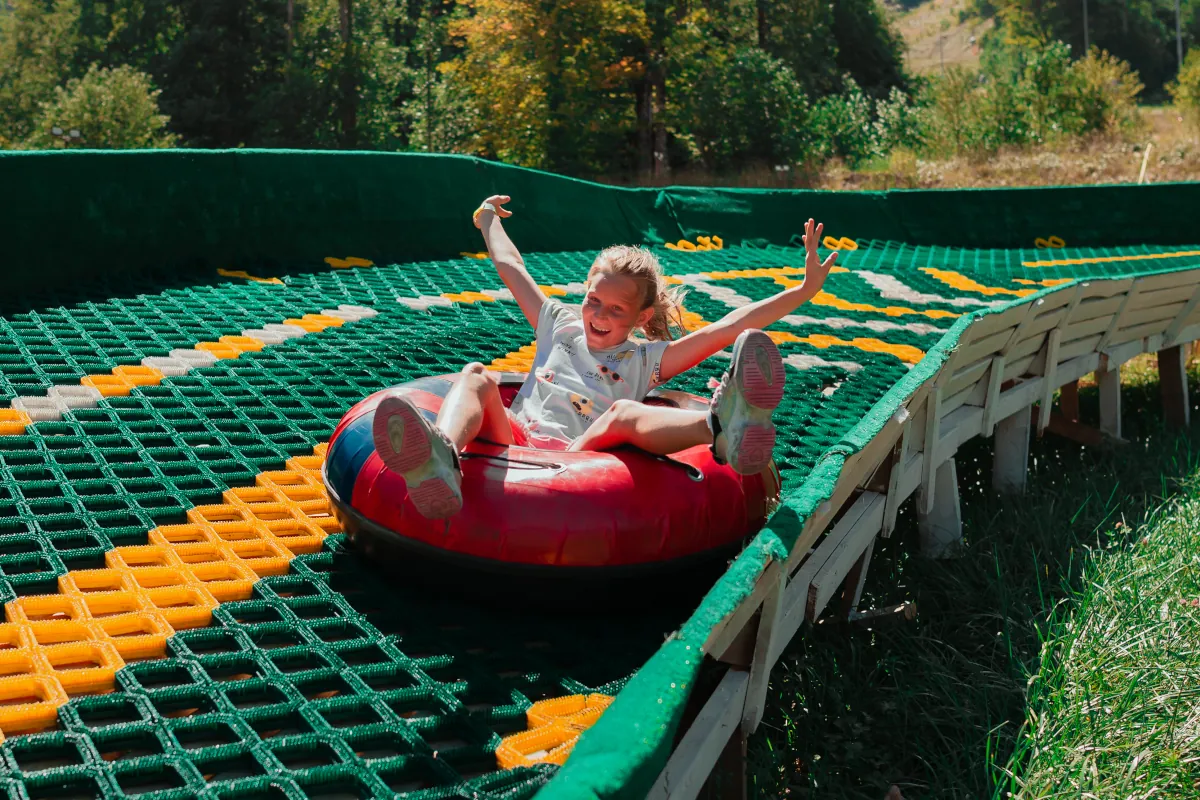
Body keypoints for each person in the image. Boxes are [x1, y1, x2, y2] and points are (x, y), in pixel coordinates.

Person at [371, 195, 839, 519]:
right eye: (594, 299)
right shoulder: (558, 322)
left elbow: (726, 329)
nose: (599, 313)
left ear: (641, 315)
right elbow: (512, 267)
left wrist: (802, 291)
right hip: (514, 437)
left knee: (623, 412)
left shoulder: (646, 359)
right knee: (475, 376)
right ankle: (439, 457)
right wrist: (487, 220)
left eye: (616, 309)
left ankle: (724, 427)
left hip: (581, 452)